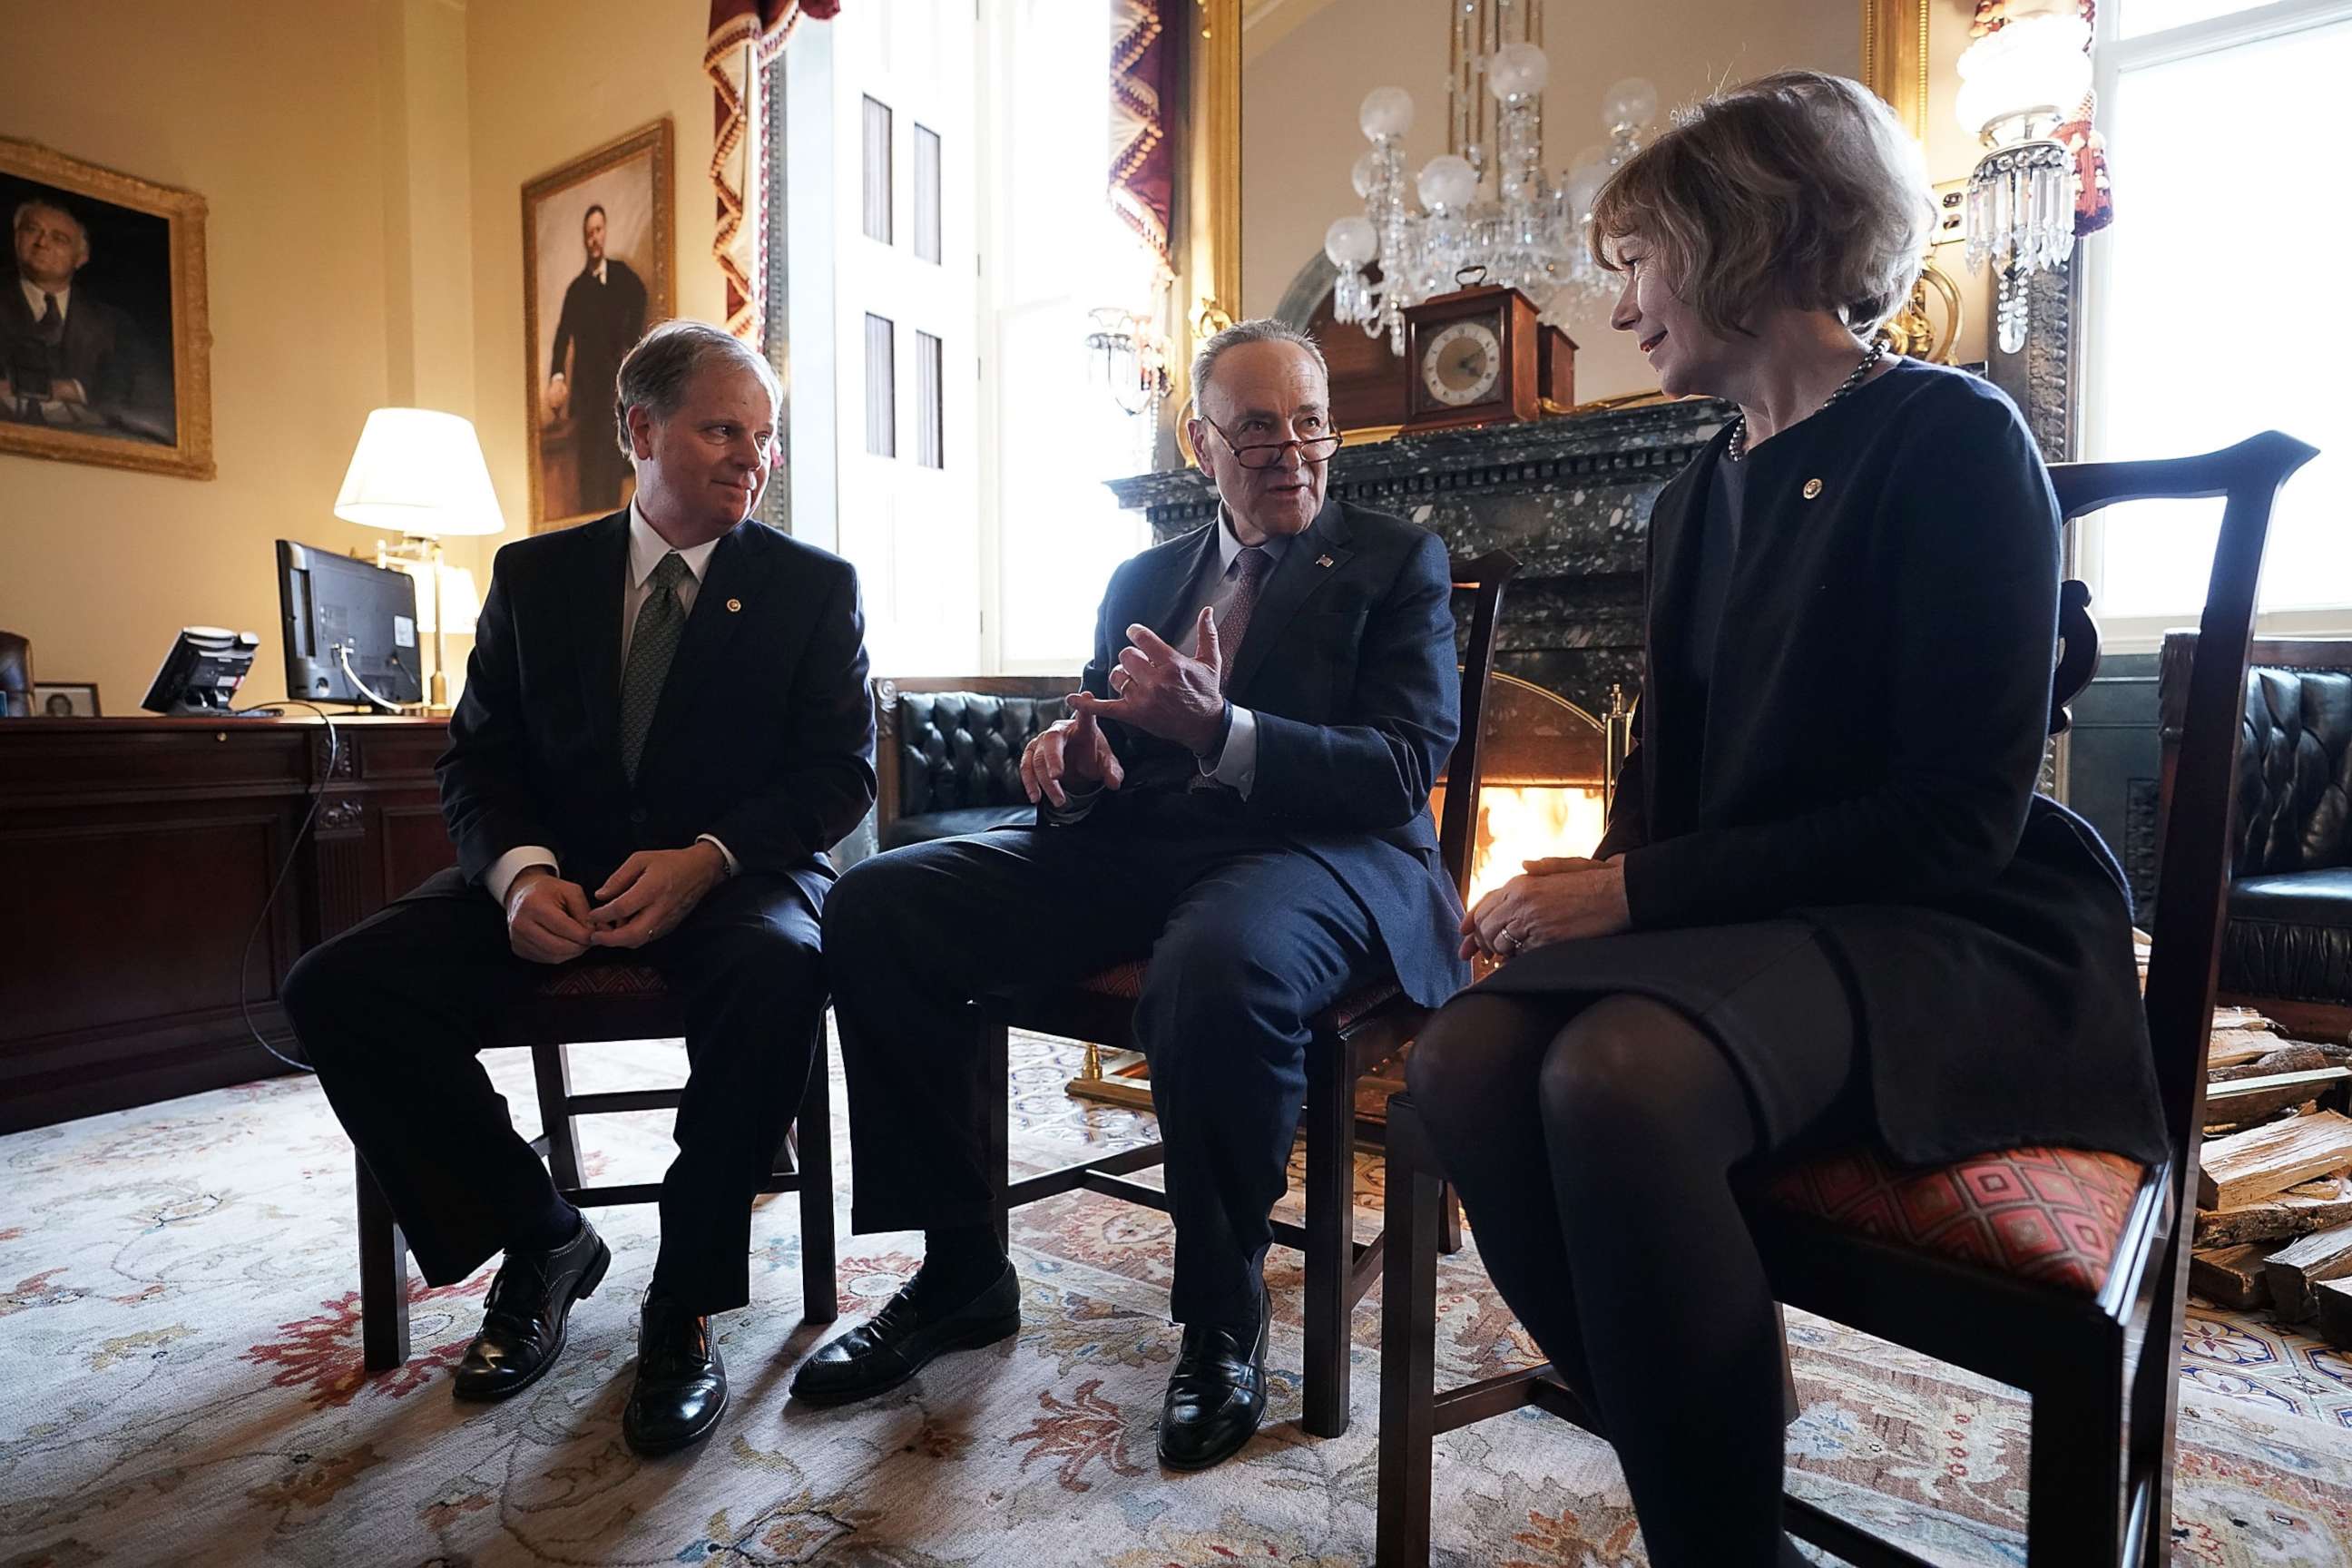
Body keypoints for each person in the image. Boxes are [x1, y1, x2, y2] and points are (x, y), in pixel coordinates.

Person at [1403, 72, 2166, 1567]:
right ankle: (1712, 1416)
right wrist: (1586, 872)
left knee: (1613, 1077)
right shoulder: (1695, 492)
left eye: (1634, 263)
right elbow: (1672, 786)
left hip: (1949, 924)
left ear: (1734, 238)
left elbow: (1949, 820)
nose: (1616, 308)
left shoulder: (1952, 439)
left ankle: (1715, 1534)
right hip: (1763, 921)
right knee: (1464, 1056)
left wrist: (1628, 900)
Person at [796, 318, 1469, 1470]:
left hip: (1324, 857)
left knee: (1217, 969)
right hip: (1144, 849)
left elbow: (1403, 767)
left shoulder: (1394, 562)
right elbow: (1112, 751)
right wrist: (1076, 773)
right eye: (1255, 428)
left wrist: (1223, 727)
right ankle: (962, 1269)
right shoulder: (1143, 576)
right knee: (877, 905)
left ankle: (1221, 1315)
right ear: (1201, 442)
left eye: (1309, 422)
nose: (1289, 450)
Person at [284, 320, 874, 1457]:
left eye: (765, 437)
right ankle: (541, 1233)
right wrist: (516, 876)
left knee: (783, 970)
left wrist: (708, 857)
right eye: (722, 430)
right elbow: (478, 762)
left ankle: (684, 1304)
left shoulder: (811, 588)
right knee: (337, 989)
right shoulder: (533, 576)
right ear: (638, 429)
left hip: (732, 874)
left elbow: (839, 774)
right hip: (554, 873)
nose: (753, 458)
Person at [1, 197, 142, 431]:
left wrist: (69, 389)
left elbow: (131, 395)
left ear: (81, 257)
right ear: (17, 238)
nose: (42, 242)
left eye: (59, 238)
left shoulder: (113, 324)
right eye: (32, 230)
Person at [544, 203, 649, 514]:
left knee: (612, 460)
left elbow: (641, 297)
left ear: (605, 233)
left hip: (614, 389)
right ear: (584, 238)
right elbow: (562, 336)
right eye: (589, 233)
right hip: (587, 393)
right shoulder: (576, 289)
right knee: (588, 462)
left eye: (598, 231)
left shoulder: (622, 276)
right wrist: (557, 377)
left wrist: (631, 341)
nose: (594, 238)